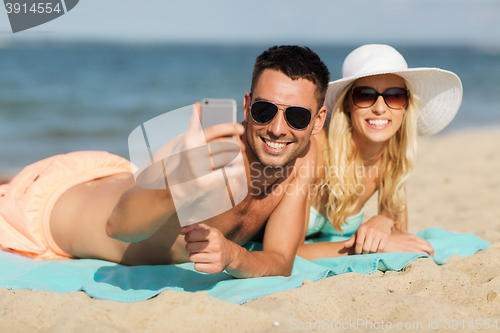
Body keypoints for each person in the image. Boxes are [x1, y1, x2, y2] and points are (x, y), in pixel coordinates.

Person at [0, 45, 330, 278]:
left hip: (106, 177)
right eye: (264, 110)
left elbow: (280, 259)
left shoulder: (304, 155)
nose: (276, 128)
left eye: (298, 117)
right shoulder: (212, 153)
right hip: (49, 212)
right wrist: (176, 184)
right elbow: (119, 226)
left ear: (318, 121)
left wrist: (235, 256)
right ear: (247, 105)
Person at [297, 44, 462, 259]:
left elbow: (400, 236)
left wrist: (383, 221)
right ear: (347, 104)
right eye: (365, 95)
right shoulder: (315, 150)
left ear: (406, 106)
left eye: (394, 96)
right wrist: (370, 247)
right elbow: (284, 253)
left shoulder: (391, 159)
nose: (380, 108)